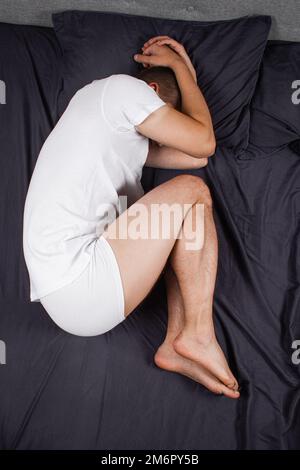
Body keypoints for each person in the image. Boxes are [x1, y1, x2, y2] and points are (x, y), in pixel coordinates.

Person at [23, 36, 240, 399]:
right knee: (193, 191)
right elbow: (203, 143)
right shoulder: (121, 91)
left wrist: (185, 78)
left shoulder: (112, 130)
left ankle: (174, 342)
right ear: (151, 91)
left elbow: (195, 154)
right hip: (80, 282)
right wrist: (183, 71)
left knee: (176, 217)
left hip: (71, 290)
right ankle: (199, 334)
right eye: (164, 118)